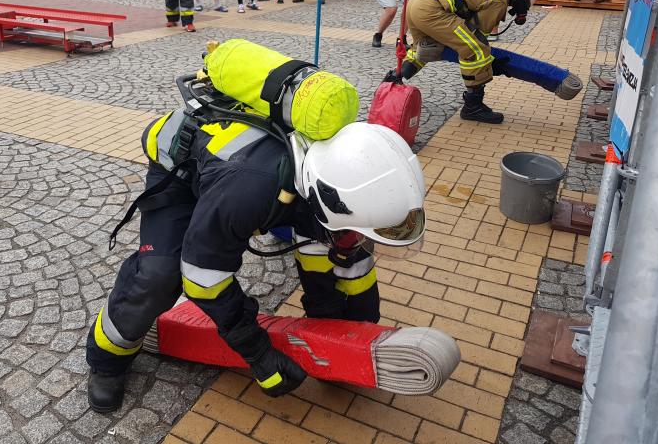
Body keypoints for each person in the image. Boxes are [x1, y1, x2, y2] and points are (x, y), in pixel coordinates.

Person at [84, 100, 427, 413]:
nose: (359, 240)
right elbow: (203, 278)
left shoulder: (338, 180)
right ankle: (107, 360)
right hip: (182, 170)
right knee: (159, 276)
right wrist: (258, 354)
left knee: (333, 247)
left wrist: (347, 337)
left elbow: (342, 261)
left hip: (237, 173)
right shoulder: (249, 191)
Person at [399, 0, 551, 124]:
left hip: (418, 2)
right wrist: (490, 65)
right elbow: (478, 34)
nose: (529, 3)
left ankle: (394, 78)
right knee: (476, 49)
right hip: (432, 11)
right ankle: (473, 107)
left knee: (425, 47)